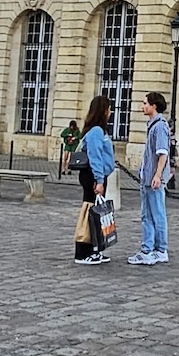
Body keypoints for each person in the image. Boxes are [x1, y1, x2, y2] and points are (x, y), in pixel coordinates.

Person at [129, 92, 171, 266]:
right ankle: (148, 248)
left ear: (154, 105)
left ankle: (159, 249)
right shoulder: (153, 125)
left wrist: (158, 175)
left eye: (145, 103)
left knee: (156, 214)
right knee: (147, 214)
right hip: (147, 177)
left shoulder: (159, 126)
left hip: (153, 178)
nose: (142, 106)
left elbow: (163, 153)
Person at [74, 96, 115, 266]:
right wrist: (99, 180)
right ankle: (83, 252)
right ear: (103, 111)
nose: (111, 112)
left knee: (94, 212)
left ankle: (93, 249)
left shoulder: (97, 130)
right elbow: (95, 157)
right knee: (89, 212)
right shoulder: (96, 131)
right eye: (109, 108)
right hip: (93, 175)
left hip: (95, 175)